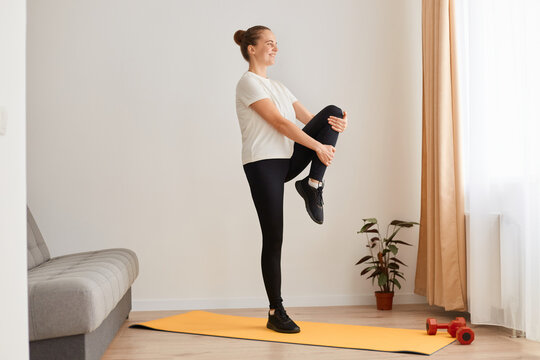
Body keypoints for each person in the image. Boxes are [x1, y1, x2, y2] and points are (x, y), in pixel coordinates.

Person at [234, 25, 348, 333]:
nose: (275, 48)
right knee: (274, 237)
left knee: (333, 113)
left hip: (284, 160)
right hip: (262, 164)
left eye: (276, 44)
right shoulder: (248, 83)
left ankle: (312, 186)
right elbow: (280, 123)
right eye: (269, 44)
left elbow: (310, 122)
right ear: (251, 49)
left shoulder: (281, 87)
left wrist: (334, 127)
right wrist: (318, 147)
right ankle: (275, 310)